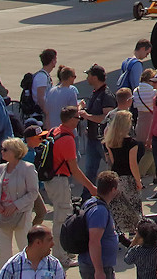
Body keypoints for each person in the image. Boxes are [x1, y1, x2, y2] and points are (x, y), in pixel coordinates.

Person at [46, 105, 98, 265]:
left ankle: (63, 251)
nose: (79, 120)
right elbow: (75, 170)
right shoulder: (67, 139)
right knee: (61, 219)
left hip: (52, 180)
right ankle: (60, 256)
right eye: (77, 118)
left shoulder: (54, 131)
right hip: (59, 181)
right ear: (70, 120)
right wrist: (91, 188)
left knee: (63, 214)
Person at [0, 136, 39, 261]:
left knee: (24, 249)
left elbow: (33, 192)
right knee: (4, 253)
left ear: (16, 151)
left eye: (6, 149)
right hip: (2, 215)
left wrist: (15, 205)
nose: (2, 151)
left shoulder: (28, 168)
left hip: (21, 215)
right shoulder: (0, 168)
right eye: (2, 149)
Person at [78, 64, 118, 196]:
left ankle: (113, 196)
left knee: (112, 169)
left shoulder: (106, 95)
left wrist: (87, 116)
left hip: (103, 141)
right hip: (92, 138)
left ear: (95, 77)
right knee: (89, 171)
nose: (87, 78)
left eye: (88, 75)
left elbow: (107, 118)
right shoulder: (95, 93)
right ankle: (86, 197)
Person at [103, 110, 142, 240]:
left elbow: (112, 161)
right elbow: (133, 165)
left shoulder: (110, 142)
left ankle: (119, 235)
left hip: (115, 177)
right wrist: (138, 180)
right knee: (133, 208)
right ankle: (134, 235)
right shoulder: (132, 143)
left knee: (118, 208)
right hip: (128, 178)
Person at [82, 171, 121, 279]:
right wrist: (99, 271)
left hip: (98, 265)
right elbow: (94, 241)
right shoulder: (99, 211)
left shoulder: (91, 203)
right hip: (96, 267)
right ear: (113, 189)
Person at [0, 226, 66, 279]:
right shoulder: (12, 265)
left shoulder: (54, 264)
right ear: (38, 242)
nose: (53, 244)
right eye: (49, 240)